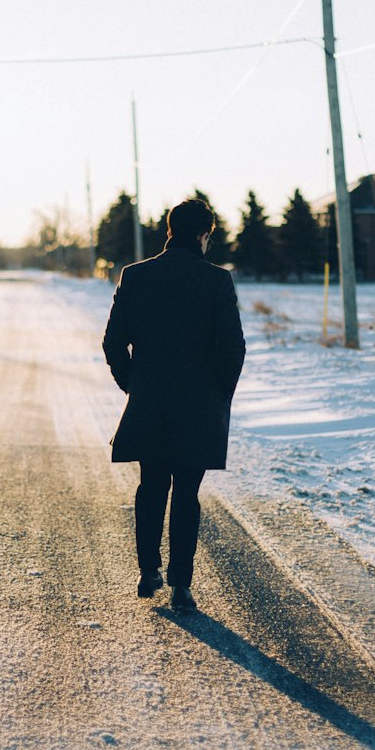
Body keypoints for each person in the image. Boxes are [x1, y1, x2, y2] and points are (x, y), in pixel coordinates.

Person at [102, 198, 246, 612]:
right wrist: (218, 397)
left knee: (151, 486)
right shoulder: (217, 281)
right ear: (204, 235)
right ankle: (182, 586)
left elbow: (113, 343)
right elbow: (233, 349)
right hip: (197, 407)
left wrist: (134, 385)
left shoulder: (136, 276)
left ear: (169, 230)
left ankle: (149, 570)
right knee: (187, 492)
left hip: (151, 402)